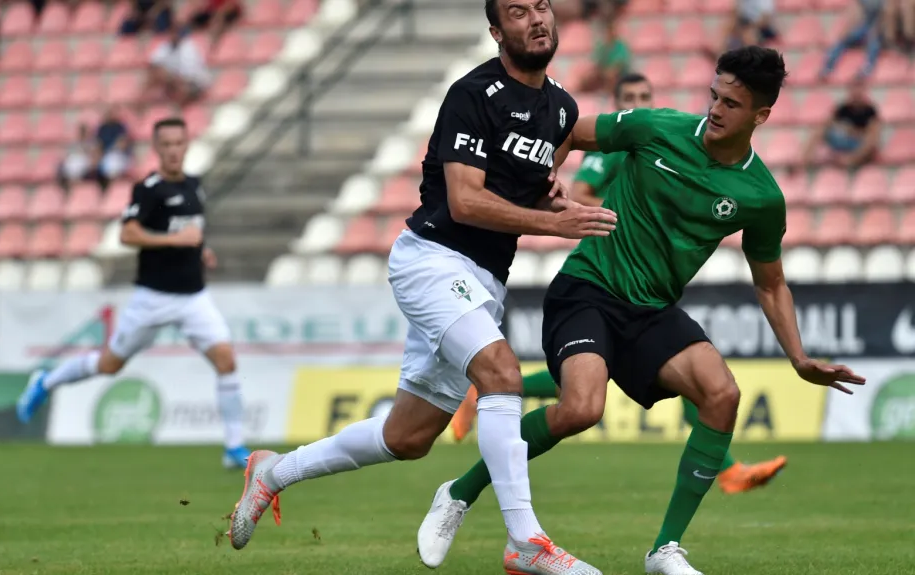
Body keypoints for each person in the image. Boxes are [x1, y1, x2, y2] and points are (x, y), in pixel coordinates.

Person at [418, 46, 866, 575]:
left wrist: (798, 358)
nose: (716, 110)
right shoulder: (658, 128)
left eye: (732, 104)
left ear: (761, 116)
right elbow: (569, 131)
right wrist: (547, 180)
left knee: (721, 395)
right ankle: (460, 493)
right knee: (583, 408)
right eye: (714, 96)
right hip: (587, 287)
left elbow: (770, 283)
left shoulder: (761, 196)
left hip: (651, 309)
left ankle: (664, 551)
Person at [230, 1, 619, 573]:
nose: (536, 19)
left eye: (542, 6)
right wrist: (554, 223)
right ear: (496, 31)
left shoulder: (560, 109)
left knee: (407, 437)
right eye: (517, 11)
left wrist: (549, 201)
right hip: (432, 260)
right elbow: (465, 201)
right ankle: (525, 542)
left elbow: (528, 187)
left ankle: (274, 472)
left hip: (483, 278)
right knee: (501, 374)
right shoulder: (471, 94)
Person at [450, 72, 789, 495]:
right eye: (631, 97)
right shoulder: (619, 148)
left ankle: (720, 475)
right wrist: (620, 212)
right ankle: (726, 468)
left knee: (694, 382)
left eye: (645, 95)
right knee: (583, 399)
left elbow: (770, 279)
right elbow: (581, 189)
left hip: (648, 290)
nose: (639, 102)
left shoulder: (702, 160)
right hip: (600, 274)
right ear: (618, 101)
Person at [16, 118, 251, 470]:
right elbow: (127, 234)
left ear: (186, 146)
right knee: (110, 364)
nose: (173, 150)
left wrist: (201, 250)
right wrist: (174, 241)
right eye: (166, 144)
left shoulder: (195, 186)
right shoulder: (149, 189)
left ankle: (234, 448)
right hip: (153, 298)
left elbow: (192, 231)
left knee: (226, 361)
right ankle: (46, 381)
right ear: (157, 149)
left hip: (193, 298)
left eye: (179, 143)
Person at [801, 79, 880, 170]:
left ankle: (850, 160)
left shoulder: (870, 111)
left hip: (858, 143)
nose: (856, 94)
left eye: (858, 91)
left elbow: (873, 134)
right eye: (854, 90)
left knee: (870, 140)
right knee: (819, 130)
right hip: (844, 139)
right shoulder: (843, 108)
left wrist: (854, 132)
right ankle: (805, 160)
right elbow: (828, 123)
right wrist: (842, 128)